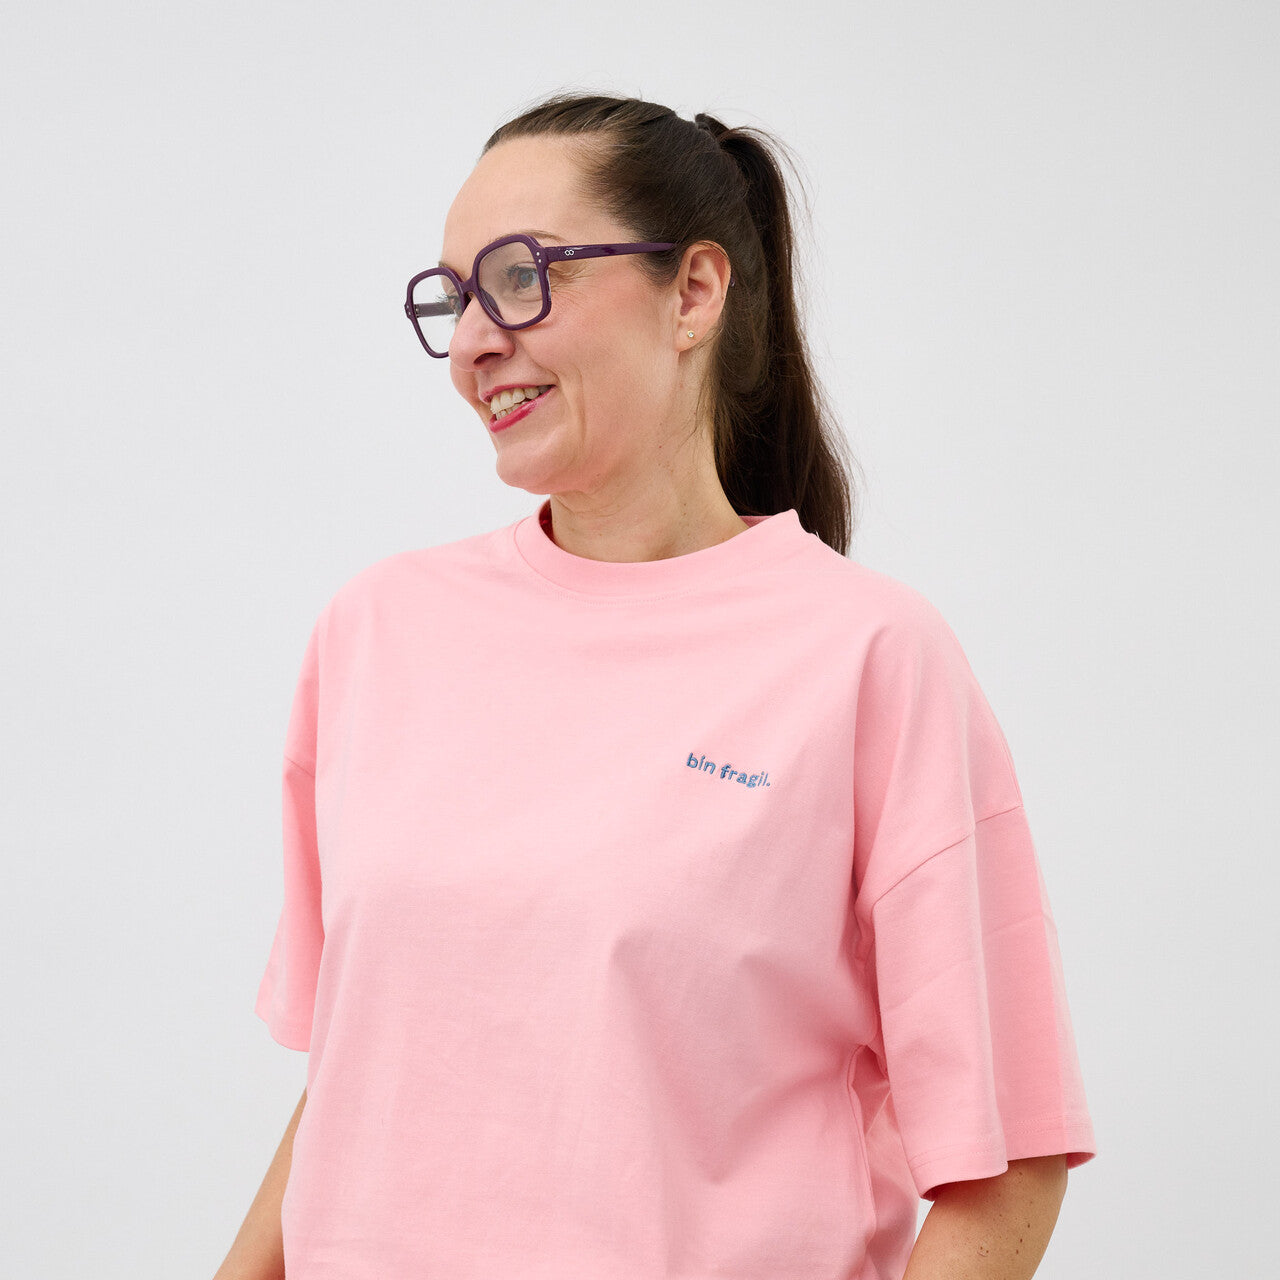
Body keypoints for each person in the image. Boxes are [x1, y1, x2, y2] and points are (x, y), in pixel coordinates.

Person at [219, 93, 1096, 1280]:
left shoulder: (868, 657)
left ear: (692, 292)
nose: (474, 341)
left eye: (520, 278)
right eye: (455, 298)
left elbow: (1008, 1157)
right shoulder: (376, 631)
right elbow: (360, 1073)